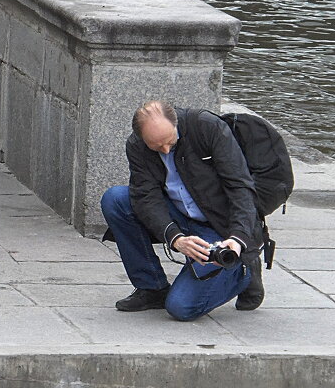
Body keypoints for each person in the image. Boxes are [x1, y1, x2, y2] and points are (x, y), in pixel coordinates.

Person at [100, 100, 265, 321]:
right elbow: (145, 197)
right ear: (142, 138)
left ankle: (243, 271)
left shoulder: (207, 127)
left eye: (170, 142)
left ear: (176, 123)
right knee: (116, 199)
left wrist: (237, 238)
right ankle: (152, 288)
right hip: (179, 214)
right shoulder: (137, 145)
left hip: (220, 226)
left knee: (181, 307)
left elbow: (241, 188)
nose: (165, 150)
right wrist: (174, 237)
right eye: (157, 147)